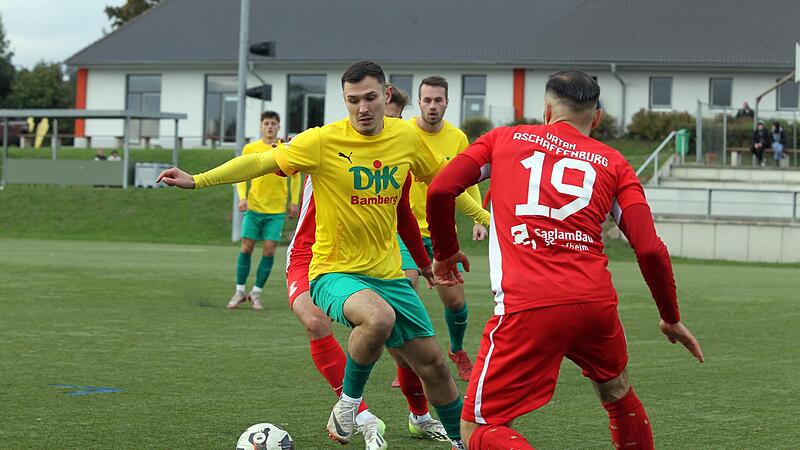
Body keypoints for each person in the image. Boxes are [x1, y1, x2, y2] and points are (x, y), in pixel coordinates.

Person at [157, 60, 491, 450]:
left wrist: (489, 219)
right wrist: (198, 179)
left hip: (388, 274)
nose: (362, 108)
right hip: (334, 272)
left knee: (434, 367)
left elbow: (445, 184)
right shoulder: (321, 141)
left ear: (386, 95)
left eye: (370, 98)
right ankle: (347, 406)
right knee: (378, 318)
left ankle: (459, 442)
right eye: (353, 100)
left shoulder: (407, 138)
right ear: (344, 100)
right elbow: (260, 161)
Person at [426, 70, 704, 450]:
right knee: (617, 392)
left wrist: (444, 254)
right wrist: (670, 316)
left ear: (546, 110)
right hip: (595, 304)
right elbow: (650, 248)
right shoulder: (614, 163)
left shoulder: (502, 139)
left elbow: (441, 188)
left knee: (476, 428)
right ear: (597, 117)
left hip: (528, 305)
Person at [278, 85, 451, 448]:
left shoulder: (398, 153)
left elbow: (404, 214)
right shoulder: (328, 143)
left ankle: (420, 416)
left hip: (373, 257)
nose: (386, 127)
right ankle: (359, 413)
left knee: (399, 340)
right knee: (317, 321)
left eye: (396, 121)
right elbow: (277, 159)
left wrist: (425, 261)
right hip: (312, 253)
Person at [396, 75, 487, 383]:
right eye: (427, 100)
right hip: (406, 231)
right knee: (406, 290)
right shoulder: (404, 133)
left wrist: (479, 219)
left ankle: (457, 351)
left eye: (438, 100)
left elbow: (468, 182)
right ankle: (408, 363)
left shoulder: (458, 138)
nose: (432, 105)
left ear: (447, 102)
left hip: (442, 233)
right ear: (418, 103)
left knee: (456, 302)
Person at [227, 111, 300, 310]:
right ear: (261, 126)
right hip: (254, 207)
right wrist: (242, 197)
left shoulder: (285, 148)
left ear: (278, 127)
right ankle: (239, 291)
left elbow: (295, 176)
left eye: (273, 123)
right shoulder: (250, 148)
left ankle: (256, 292)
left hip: (276, 211)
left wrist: (295, 201)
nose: (270, 127)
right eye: (266, 123)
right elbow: (241, 173)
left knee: (269, 250)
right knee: (246, 248)